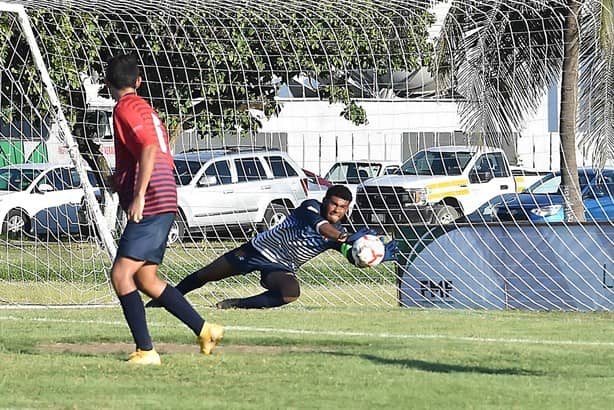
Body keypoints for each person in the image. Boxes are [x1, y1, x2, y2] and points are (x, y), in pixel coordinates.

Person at [106, 53, 222, 365]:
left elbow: (148, 148)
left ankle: (146, 351)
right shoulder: (146, 107)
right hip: (166, 192)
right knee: (146, 279)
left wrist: (140, 194)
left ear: (107, 84)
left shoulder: (124, 108)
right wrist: (120, 178)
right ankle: (205, 329)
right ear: (139, 82)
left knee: (120, 275)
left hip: (153, 195)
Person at [146, 185, 397, 309]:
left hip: (281, 266)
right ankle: (162, 301)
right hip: (255, 251)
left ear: (347, 209)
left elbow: (349, 254)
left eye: (342, 207)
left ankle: (236, 304)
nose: (336, 210)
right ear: (325, 201)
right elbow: (323, 229)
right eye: (333, 204)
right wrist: (348, 238)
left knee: (290, 293)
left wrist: (371, 258)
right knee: (203, 276)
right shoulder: (310, 207)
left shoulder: (341, 233)